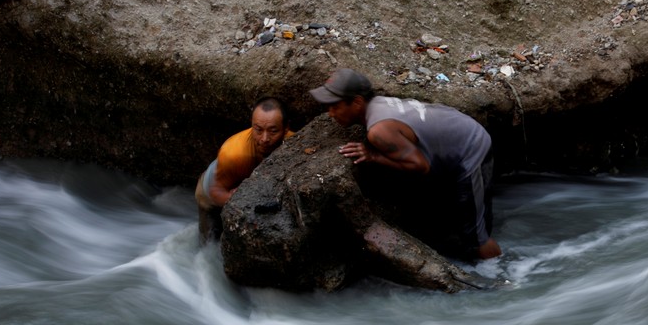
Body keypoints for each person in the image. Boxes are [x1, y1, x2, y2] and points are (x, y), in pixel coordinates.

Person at [310, 68, 502, 260]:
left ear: (357, 102)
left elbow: (420, 166)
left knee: (476, 236)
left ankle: (501, 279)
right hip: (452, 140)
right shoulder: (378, 104)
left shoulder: (378, 131)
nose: (330, 114)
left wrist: (373, 156)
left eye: (334, 106)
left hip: (471, 149)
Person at [195, 97, 288, 244]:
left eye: (273, 131)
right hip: (211, 191)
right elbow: (215, 192)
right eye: (258, 130)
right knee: (209, 243)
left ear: (285, 129)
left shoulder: (293, 142)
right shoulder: (234, 153)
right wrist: (244, 200)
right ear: (251, 125)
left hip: (242, 179)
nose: (264, 138)